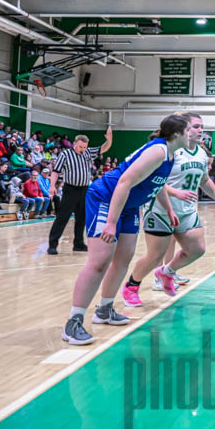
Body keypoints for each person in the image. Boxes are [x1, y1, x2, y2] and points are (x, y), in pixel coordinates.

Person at [62, 114, 191, 346]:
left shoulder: (170, 154)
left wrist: (169, 209)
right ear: (177, 134)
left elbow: (158, 183)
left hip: (129, 205)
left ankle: (104, 309)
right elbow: (124, 182)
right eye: (191, 129)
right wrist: (111, 222)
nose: (196, 133)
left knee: (123, 258)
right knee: (100, 261)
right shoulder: (158, 151)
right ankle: (74, 322)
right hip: (106, 198)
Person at [124, 113, 215, 307]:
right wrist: (176, 193)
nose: (200, 130)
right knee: (154, 256)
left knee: (197, 249)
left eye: (202, 126)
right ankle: (132, 286)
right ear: (184, 129)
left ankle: (166, 272)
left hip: (186, 210)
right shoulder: (169, 150)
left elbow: (204, 180)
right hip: (160, 209)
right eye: (196, 126)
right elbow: (153, 179)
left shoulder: (201, 154)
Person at [47, 127, 113, 255]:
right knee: (62, 217)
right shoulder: (65, 154)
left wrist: (109, 140)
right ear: (74, 143)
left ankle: (78, 244)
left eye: (84, 147)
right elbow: (55, 171)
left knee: (82, 217)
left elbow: (103, 148)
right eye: (80, 147)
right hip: (70, 189)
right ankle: (52, 245)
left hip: (84, 189)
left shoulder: (88, 152)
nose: (82, 149)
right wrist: (52, 186)